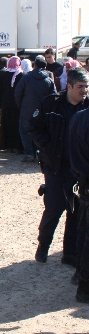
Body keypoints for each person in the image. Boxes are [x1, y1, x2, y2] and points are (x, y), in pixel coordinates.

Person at [29, 67, 89, 267]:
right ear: (69, 86)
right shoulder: (51, 104)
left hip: (78, 169)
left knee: (76, 211)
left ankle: (69, 254)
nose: (84, 91)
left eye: (87, 87)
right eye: (80, 87)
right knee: (54, 208)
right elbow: (34, 127)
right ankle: (43, 246)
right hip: (55, 166)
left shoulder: (87, 108)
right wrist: (48, 146)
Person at [15, 56, 56, 161]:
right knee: (40, 132)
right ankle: (39, 153)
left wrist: (20, 105)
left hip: (26, 110)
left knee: (24, 131)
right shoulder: (49, 79)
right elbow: (54, 96)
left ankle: (29, 154)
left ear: (35, 65)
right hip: (42, 112)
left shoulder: (26, 78)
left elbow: (18, 92)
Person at [68, 104, 89, 302]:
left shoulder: (78, 117)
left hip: (83, 182)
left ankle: (79, 274)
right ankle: (84, 285)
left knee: (83, 231)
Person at [0, 56, 24, 153]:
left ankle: (6, 145)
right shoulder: (22, 75)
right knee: (16, 125)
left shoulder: (3, 75)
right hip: (17, 105)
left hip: (5, 104)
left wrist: (0, 103)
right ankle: (17, 146)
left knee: (6, 125)